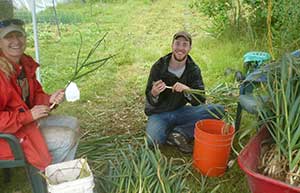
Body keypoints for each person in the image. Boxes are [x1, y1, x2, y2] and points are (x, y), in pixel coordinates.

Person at [0, 18, 79, 171]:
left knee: (72, 123)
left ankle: (59, 173)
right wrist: (27, 116)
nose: (16, 41)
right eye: (8, 37)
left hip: (22, 126)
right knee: (66, 138)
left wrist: (49, 99)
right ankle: (49, 178)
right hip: (7, 138)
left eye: (19, 35)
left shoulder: (24, 63)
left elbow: (33, 96)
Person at [144, 31, 224, 153]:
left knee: (218, 110)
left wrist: (188, 90)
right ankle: (165, 129)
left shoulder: (193, 69)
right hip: (159, 113)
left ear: (189, 48)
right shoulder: (159, 66)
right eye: (177, 44)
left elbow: (200, 100)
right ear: (172, 45)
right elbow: (149, 98)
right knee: (153, 141)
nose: (180, 48)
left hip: (181, 111)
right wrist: (154, 93)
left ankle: (179, 133)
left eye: (185, 44)